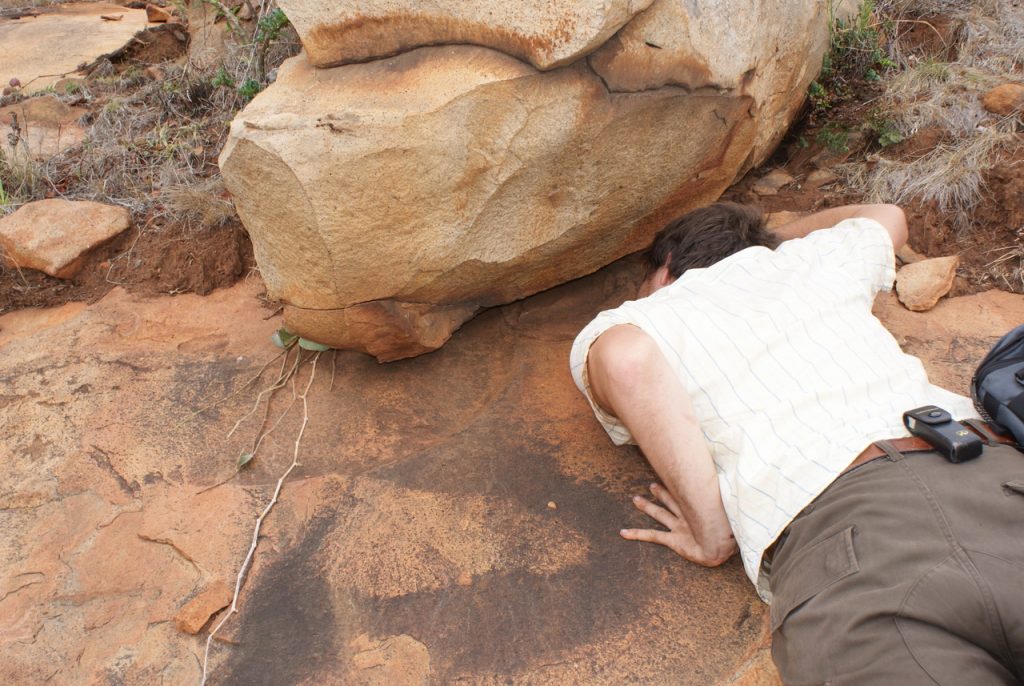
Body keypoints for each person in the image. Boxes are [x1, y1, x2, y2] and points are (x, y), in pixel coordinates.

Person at [570, 202, 1024, 684]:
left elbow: (627, 362)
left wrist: (712, 534)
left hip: (854, 535)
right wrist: (766, 244)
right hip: (994, 478)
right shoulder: (816, 258)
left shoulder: (641, 317)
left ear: (664, 270)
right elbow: (886, 214)